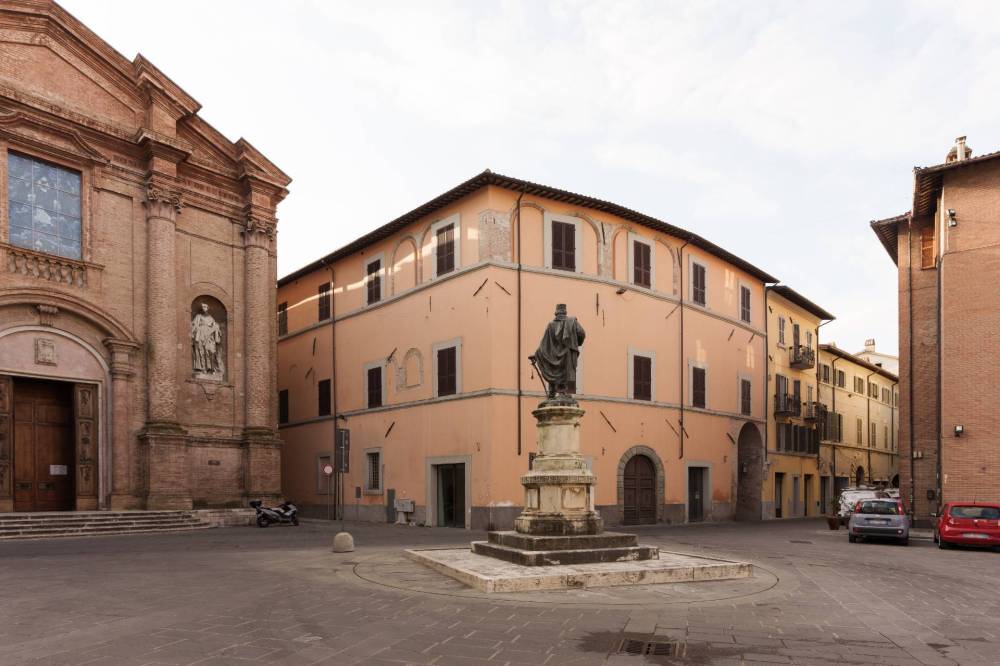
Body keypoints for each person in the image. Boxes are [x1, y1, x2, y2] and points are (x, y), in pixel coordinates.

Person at [530, 304, 585, 402]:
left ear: (556, 313)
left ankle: (552, 394)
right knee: (569, 373)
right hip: (568, 354)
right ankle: (566, 394)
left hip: (553, 357)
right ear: (565, 312)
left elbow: (543, 345)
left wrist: (537, 355)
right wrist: (575, 342)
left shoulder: (551, 325)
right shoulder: (572, 322)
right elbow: (582, 334)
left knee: (553, 371)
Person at [191, 302, 223, 377]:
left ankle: (210, 368)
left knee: (209, 351)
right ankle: (202, 368)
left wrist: (216, 329)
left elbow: (216, 327)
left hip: (209, 336)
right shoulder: (198, 316)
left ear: (208, 308)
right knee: (200, 351)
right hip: (200, 335)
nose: (203, 308)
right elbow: (194, 325)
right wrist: (194, 332)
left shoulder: (211, 318)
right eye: (202, 307)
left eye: (205, 306)